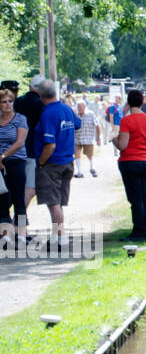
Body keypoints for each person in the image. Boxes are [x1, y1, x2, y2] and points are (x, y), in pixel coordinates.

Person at [32, 78, 79, 245]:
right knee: (57, 201)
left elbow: (50, 145)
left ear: (39, 94)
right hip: (67, 161)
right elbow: (77, 124)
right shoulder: (66, 109)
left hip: (52, 164)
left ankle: (61, 237)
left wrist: (41, 162)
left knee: (53, 203)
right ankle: (57, 235)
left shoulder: (47, 114)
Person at [115, 89, 146, 241]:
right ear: (142, 102)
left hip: (129, 161)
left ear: (128, 102)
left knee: (135, 199)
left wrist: (114, 139)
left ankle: (138, 232)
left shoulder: (126, 121)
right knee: (143, 197)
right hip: (144, 161)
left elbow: (123, 145)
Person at [0, 87, 29, 242]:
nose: (7, 104)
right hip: (0, 164)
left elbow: (19, 142)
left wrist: (3, 156)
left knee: (19, 198)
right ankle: (6, 233)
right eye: (4, 102)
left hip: (16, 161)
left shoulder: (20, 119)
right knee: (3, 199)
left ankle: (22, 233)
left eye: (10, 101)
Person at [14, 75, 45, 214]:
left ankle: (19, 226)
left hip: (14, 150)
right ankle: (17, 222)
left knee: (18, 189)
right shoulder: (42, 104)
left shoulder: (17, 102)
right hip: (32, 150)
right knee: (29, 189)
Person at [73, 100, 98, 177]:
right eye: (78, 107)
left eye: (81, 106)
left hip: (88, 137)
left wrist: (98, 137)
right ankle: (79, 172)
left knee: (89, 155)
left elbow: (97, 125)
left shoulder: (90, 114)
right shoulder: (75, 114)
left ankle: (92, 168)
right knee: (76, 154)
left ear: (84, 107)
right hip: (77, 137)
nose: (80, 108)